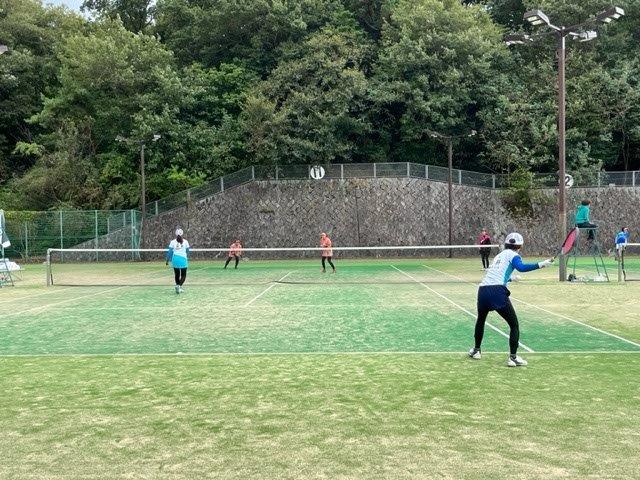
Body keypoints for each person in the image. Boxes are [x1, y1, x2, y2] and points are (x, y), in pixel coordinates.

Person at [468, 232, 553, 367]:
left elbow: (495, 274)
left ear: (506, 244)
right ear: (520, 246)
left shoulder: (498, 256)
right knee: (514, 325)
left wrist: (511, 278)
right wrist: (541, 264)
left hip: (483, 290)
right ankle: (513, 358)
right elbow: (521, 268)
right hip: (497, 292)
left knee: (481, 320)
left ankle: (476, 351)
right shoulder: (514, 255)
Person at [166, 228, 190, 294]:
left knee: (177, 274)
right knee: (183, 275)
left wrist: (167, 260)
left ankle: (178, 287)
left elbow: (170, 252)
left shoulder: (172, 242)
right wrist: (187, 257)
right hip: (183, 259)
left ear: (175, 234)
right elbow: (188, 251)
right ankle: (179, 286)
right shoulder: (186, 241)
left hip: (175, 259)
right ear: (182, 233)